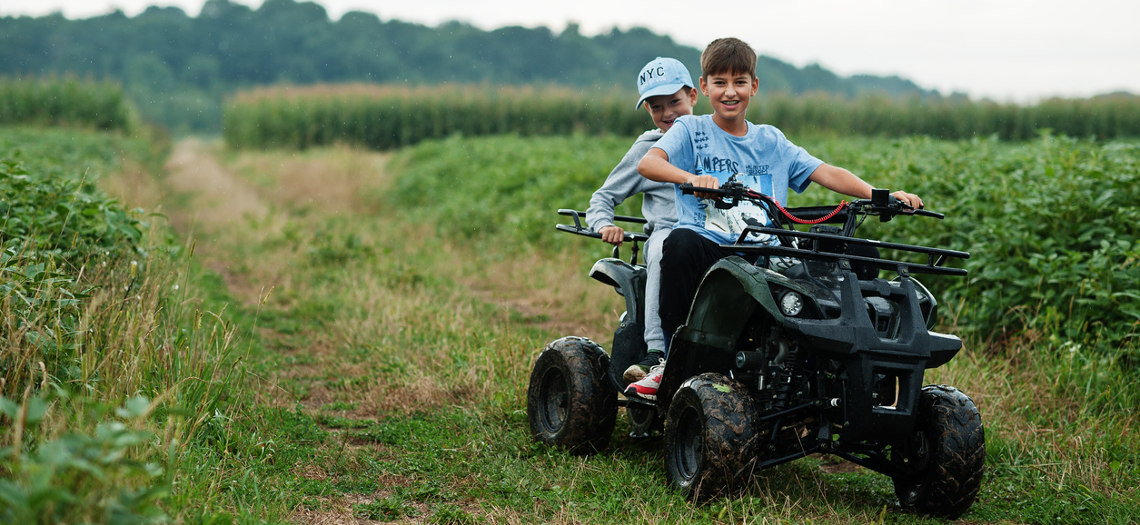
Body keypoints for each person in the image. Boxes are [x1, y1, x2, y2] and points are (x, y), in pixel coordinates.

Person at [627, 37, 924, 400]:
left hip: (764, 252)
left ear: (753, 86)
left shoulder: (771, 141)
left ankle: (841, 368)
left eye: (739, 82)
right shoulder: (691, 131)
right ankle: (670, 362)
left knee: (858, 252)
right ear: (704, 88)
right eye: (720, 83)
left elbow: (825, 171)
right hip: (711, 248)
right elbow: (649, 163)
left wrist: (882, 196)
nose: (730, 92)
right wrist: (691, 178)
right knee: (679, 242)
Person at [585, 56, 698, 382]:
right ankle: (655, 352)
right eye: (656, 106)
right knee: (666, 245)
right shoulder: (648, 148)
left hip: (712, 235)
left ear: (692, 96)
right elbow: (603, 198)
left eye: (674, 101)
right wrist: (604, 223)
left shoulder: (713, 139)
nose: (667, 113)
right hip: (668, 232)